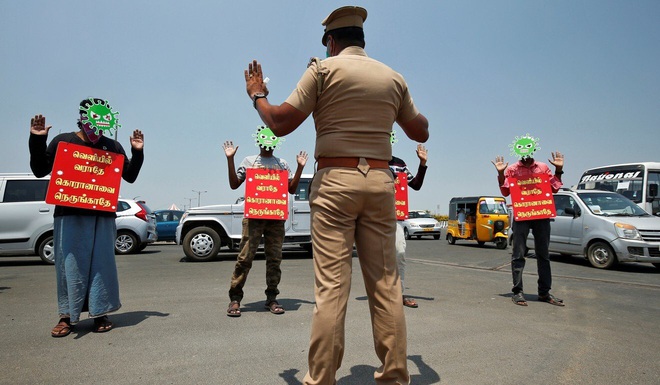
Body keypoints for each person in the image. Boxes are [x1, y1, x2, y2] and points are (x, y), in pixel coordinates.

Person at [243, 5, 429, 384]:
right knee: (386, 286)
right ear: (361, 39)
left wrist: (258, 95)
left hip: (334, 184)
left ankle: (322, 379)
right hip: (379, 183)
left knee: (331, 289)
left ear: (331, 40)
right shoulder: (392, 78)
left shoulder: (323, 71)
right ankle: (396, 375)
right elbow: (420, 131)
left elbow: (279, 122)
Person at [28, 98, 144, 337]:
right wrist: (37, 139)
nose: (96, 130)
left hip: (102, 216)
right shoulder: (62, 141)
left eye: (101, 124)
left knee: (102, 265)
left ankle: (100, 313)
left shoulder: (112, 146)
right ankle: (66, 316)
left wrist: (137, 152)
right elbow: (40, 169)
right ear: (82, 118)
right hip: (69, 215)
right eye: (92, 122)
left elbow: (130, 176)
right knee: (69, 265)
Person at [223, 136, 307, 317]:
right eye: (264, 140)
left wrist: (300, 167)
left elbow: (291, 189)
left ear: (276, 143)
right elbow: (234, 184)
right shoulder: (249, 161)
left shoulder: (282, 164)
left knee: (274, 259)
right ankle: (235, 298)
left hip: (275, 219)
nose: (267, 144)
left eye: (271, 141)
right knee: (245, 258)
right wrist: (230, 159)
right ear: (258, 142)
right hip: (254, 218)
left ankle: (272, 297)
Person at [492, 150, 565, 307]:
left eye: (529, 149)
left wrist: (559, 170)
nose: (526, 153)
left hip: (541, 214)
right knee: (518, 254)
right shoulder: (512, 169)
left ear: (533, 149)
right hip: (521, 215)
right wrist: (500, 173)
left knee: (543, 255)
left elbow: (555, 188)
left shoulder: (543, 167)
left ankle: (544, 292)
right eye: (522, 149)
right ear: (517, 150)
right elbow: (505, 191)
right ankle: (517, 291)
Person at [389, 143, 428, 309]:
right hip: (372, 218)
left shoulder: (399, 164)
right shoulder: (368, 160)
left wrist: (422, 164)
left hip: (395, 217)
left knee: (399, 253)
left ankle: (399, 294)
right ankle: (382, 294)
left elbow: (416, 185)